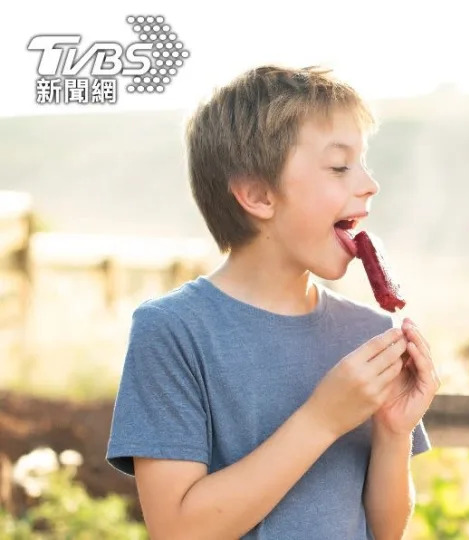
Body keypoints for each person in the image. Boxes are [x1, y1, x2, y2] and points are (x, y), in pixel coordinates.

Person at [106, 65, 440, 539]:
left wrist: (393, 432)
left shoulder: (368, 333)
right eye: (340, 166)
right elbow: (178, 530)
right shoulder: (173, 330)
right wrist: (322, 419)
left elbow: (384, 532)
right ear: (258, 194)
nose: (369, 183)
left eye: (364, 163)